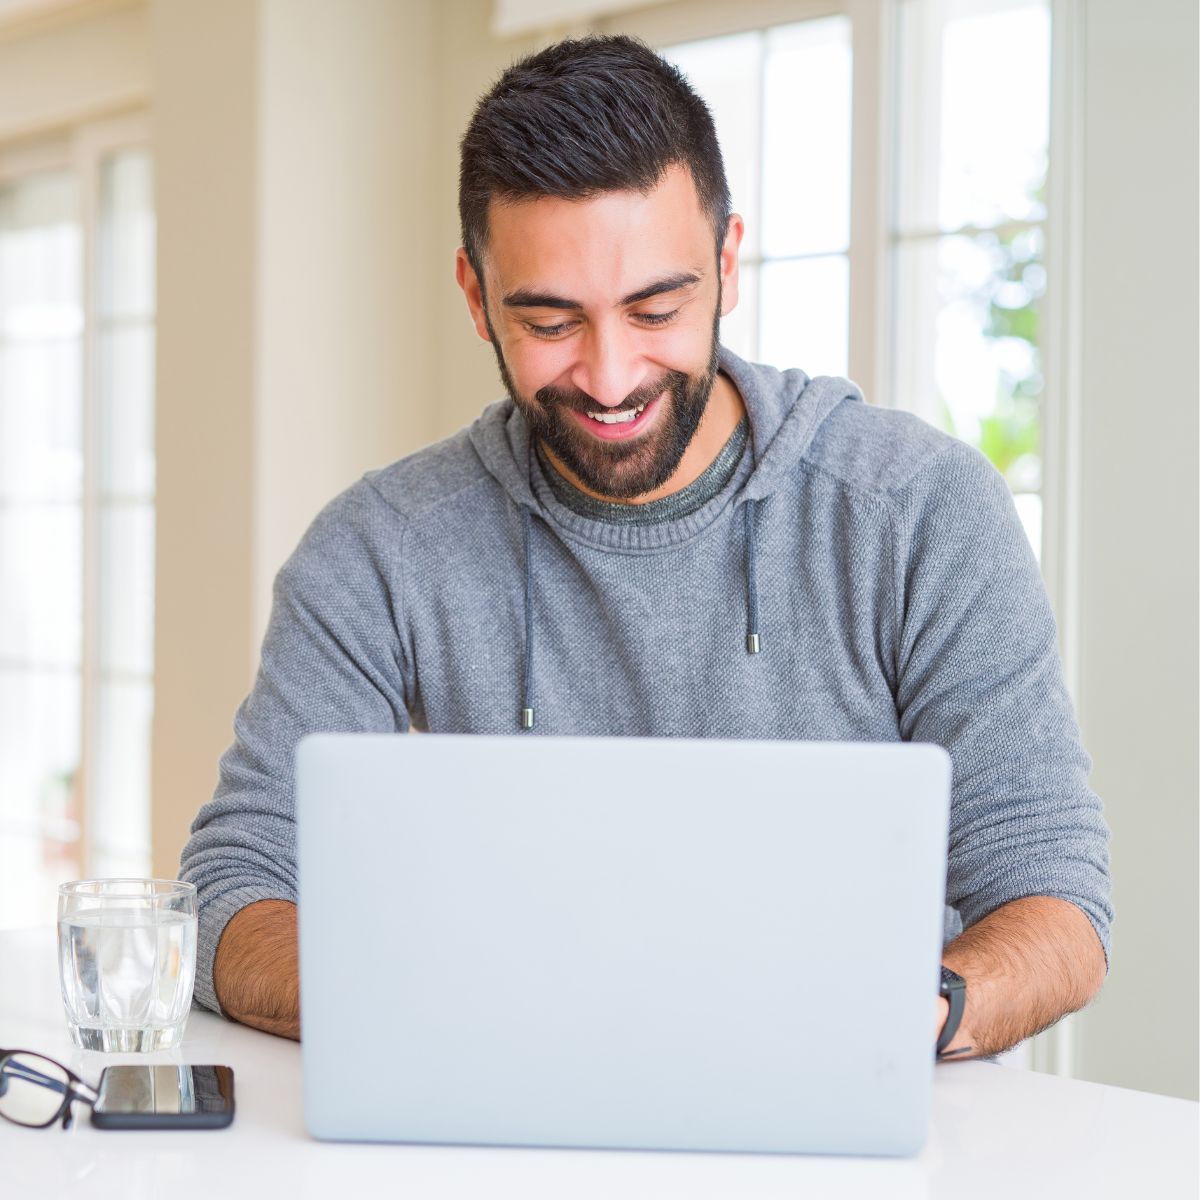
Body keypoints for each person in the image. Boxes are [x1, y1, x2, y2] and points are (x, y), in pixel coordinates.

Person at [180, 35, 1112, 1056]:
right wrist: (450, 1002)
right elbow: (239, 884)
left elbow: (1053, 896)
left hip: (850, 1098)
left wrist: (902, 1021)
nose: (611, 374)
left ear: (726, 265)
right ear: (475, 293)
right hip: (501, 1090)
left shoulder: (915, 510)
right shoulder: (383, 550)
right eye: (550, 322)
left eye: (656, 309)